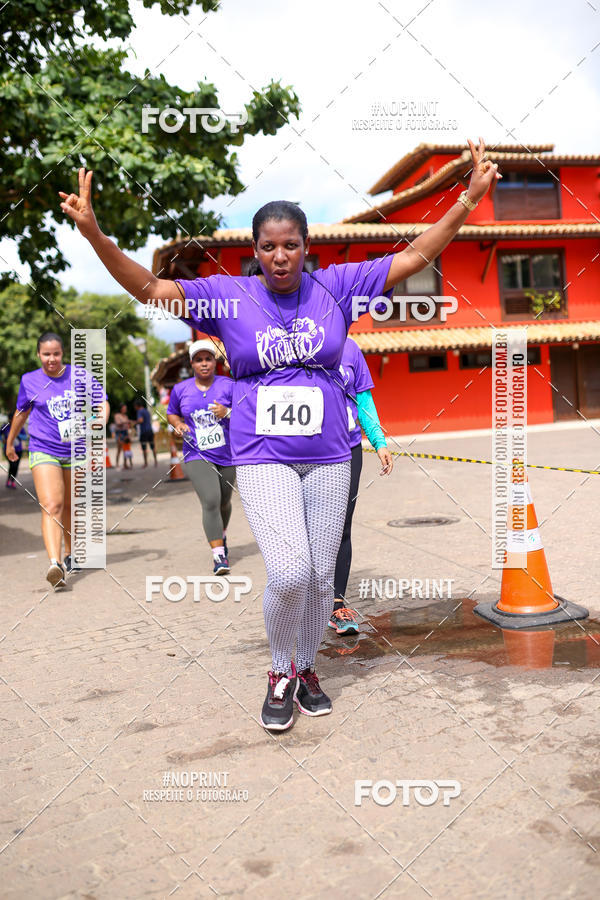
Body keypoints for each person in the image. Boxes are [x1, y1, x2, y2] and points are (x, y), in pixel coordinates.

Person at [58, 138, 500, 729]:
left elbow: (415, 257)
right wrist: (94, 234)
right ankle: (278, 670)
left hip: (329, 455)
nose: (281, 256)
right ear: (255, 250)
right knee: (290, 570)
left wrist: (467, 199)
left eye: (291, 245)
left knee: (321, 575)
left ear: (306, 248)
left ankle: (305, 665)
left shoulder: (337, 287)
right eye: (269, 246)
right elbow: (149, 289)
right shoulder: (227, 296)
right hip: (261, 454)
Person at [5, 332, 109, 587]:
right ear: (38, 354)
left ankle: (71, 552)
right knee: (51, 504)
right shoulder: (29, 380)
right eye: (46, 354)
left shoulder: (80, 376)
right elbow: (22, 412)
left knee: (70, 505)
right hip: (44, 448)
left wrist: (99, 422)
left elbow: (102, 403)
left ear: (63, 353)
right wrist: (10, 441)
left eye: (56, 354)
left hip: (75, 451)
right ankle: (55, 564)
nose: (51, 359)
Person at [329, 337, 393, 636]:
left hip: (349, 448)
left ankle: (336, 604)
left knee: (342, 527)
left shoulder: (351, 349)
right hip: (309, 450)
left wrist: (379, 441)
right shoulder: (296, 342)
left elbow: (363, 400)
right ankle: (304, 598)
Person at [166, 340, 236, 575]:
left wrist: (227, 412)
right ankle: (219, 557)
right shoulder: (181, 389)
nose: (204, 364)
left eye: (208, 359)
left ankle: (220, 536)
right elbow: (172, 413)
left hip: (227, 453)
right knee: (211, 500)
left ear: (214, 362)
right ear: (192, 363)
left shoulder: (228, 385)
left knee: (225, 502)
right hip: (196, 452)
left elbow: (248, 412)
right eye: (199, 360)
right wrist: (178, 424)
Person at [2, 414, 27, 489]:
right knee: (13, 465)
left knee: (16, 467)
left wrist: (17, 434)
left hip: (18, 450)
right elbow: (1, 434)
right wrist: (3, 439)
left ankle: (11, 481)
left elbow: (25, 437)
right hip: (8, 450)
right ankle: (9, 480)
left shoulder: (19, 426)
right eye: (10, 420)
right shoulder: (5, 427)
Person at [135, 399, 157, 467]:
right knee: (152, 446)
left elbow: (141, 420)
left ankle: (146, 463)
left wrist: (135, 423)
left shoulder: (140, 411)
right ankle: (156, 461)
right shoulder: (146, 411)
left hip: (144, 431)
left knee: (144, 447)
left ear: (137, 406)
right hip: (150, 430)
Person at [113, 404, 131, 468]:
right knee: (119, 449)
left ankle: (125, 464)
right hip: (119, 433)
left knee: (125, 449)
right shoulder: (117, 415)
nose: (125, 409)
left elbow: (127, 426)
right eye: (124, 408)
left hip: (125, 432)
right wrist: (126, 422)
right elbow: (118, 424)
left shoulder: (125, 416)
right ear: (121, 409)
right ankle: (117, 464)